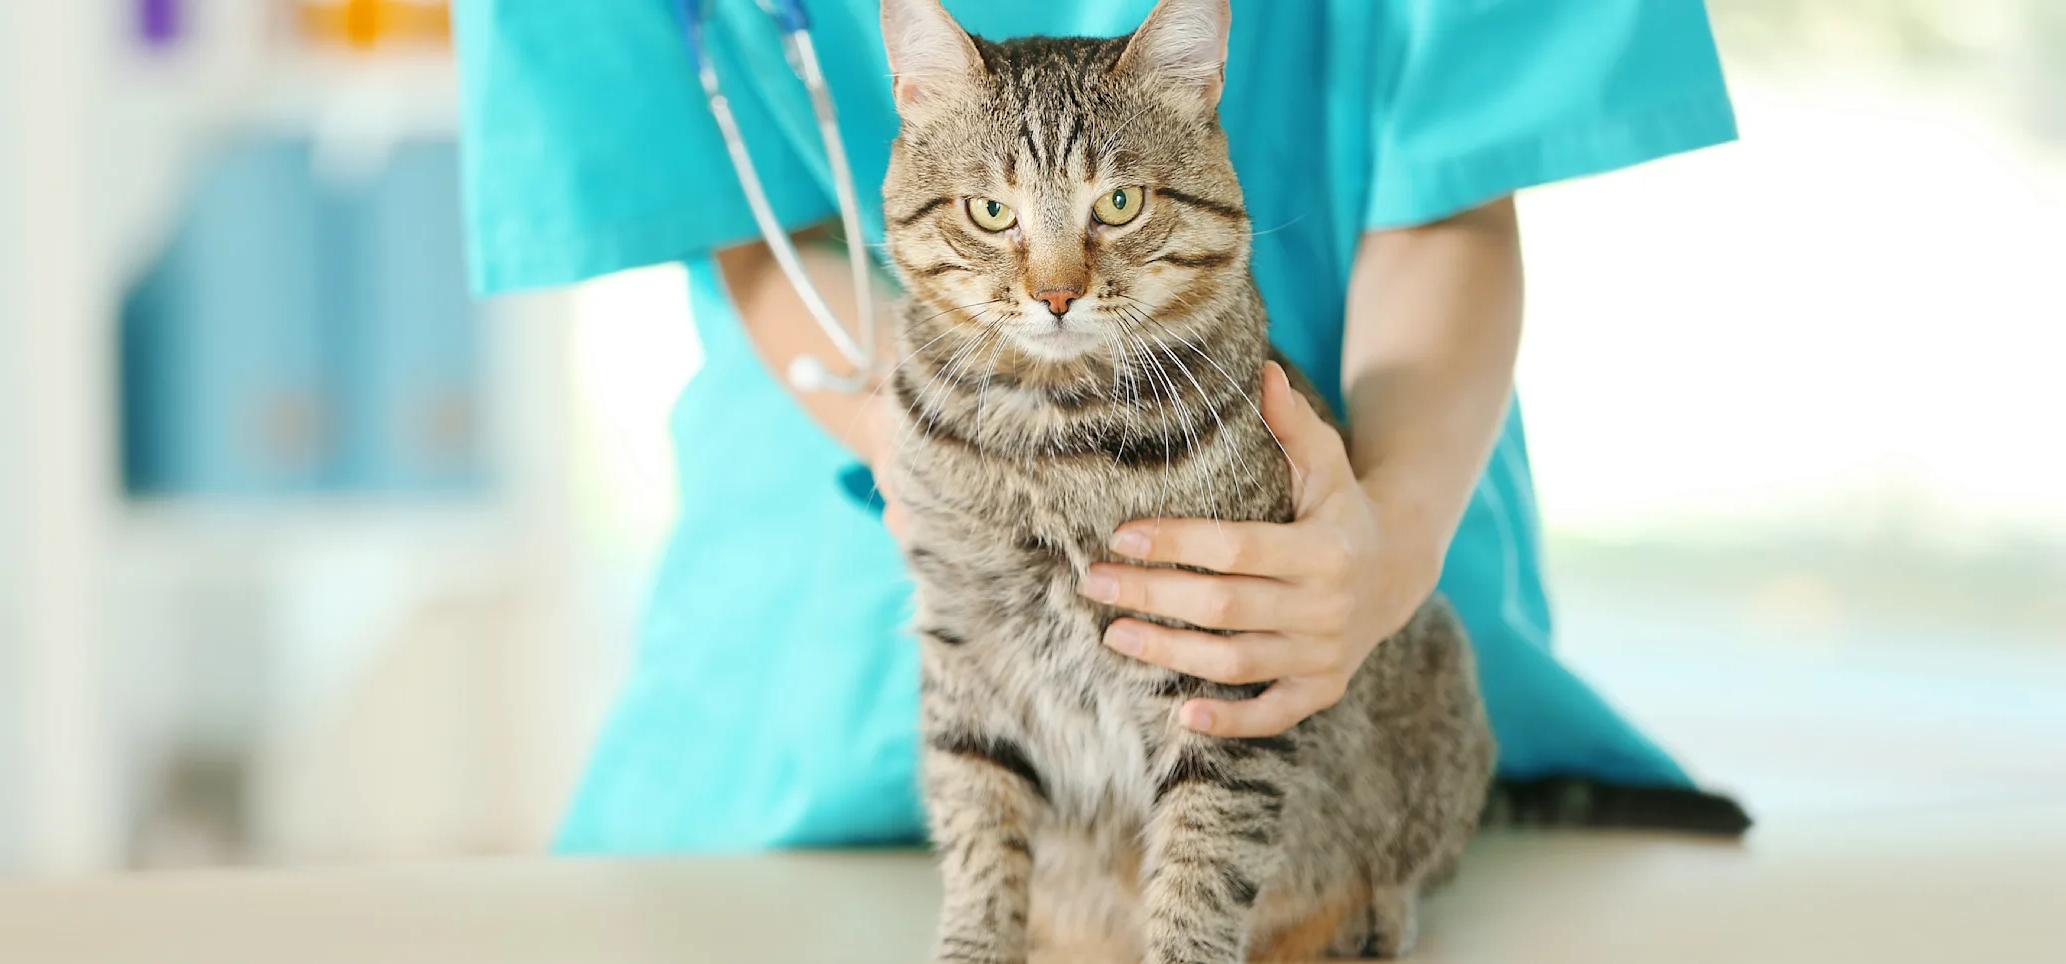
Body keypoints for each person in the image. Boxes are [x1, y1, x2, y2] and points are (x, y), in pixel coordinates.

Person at [451, 0, 1739, 853]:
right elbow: (750, 200)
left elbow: (1456, 168)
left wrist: (1386, 548)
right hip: (805, 722)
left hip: (1328, 706)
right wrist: (912, 428)